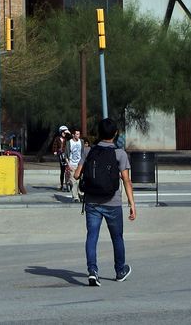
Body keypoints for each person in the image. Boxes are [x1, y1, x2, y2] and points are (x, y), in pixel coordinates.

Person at [74, 117, 136, 286]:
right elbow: (126, 180)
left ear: (99, 133)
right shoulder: (120, 154)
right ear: (115, 134)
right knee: (117, 237)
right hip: (113, 202)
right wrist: (132, 204)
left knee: (92, 236)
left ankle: (93, 271)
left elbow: (76, 175)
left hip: (92, 202)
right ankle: (120, 270)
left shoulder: (88, 151)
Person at [66, 128, 84, 201]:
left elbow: (83, 153)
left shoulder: (81, 142)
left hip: (80, 164)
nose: (78, 136)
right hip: (72, 164)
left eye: (79, 134)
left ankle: (81, 194)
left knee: (80, 180)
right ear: (73, 135)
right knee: (73, 181)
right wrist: (69, 164)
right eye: (77, 134)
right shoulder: (69, 142)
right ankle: (75, 197)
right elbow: (66, 155)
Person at [53, 126, 69, 191]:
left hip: (67, 155)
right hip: (60, 154)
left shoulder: (67, 138)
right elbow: (55, 145)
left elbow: (71, 139)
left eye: (65, 132)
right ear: (60, 132)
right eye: (63, 132)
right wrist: (55, 151)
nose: (64, 133)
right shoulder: (57, 138)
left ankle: (68, 185)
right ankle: (62, 185)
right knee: (62, 170)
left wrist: (69, 133)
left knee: (68, 170)